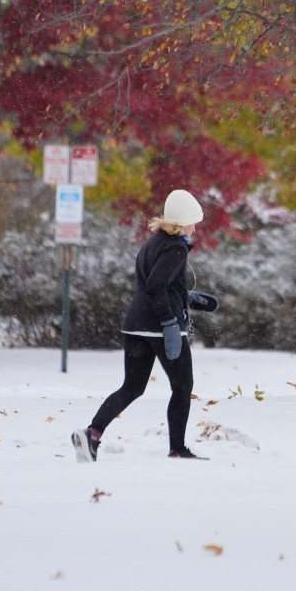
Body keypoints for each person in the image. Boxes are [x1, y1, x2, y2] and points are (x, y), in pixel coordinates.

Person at [72, 189, 219, 462]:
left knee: (132, 387)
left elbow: (153, 283)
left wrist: (186, 298)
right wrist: (170, 323)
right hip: (160, 328)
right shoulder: (176, 246)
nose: (196, 227)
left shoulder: (153, 242)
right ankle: (177, 449)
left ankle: (91, 434)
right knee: (183, 385)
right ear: (184, 220)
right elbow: (155, 286)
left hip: (136, 324)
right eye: (194, 221)